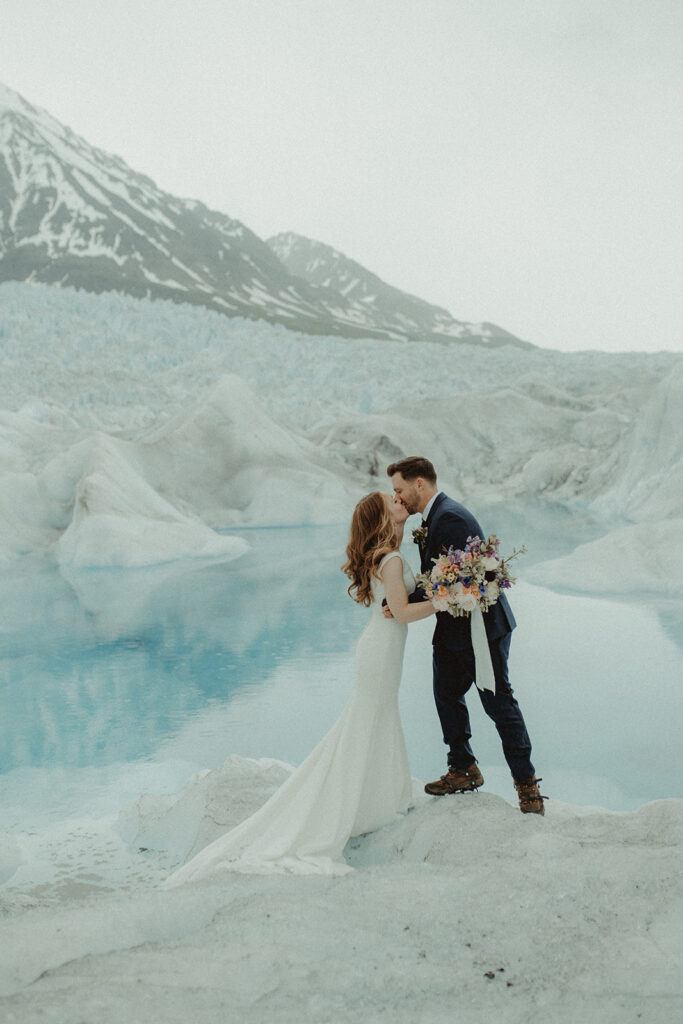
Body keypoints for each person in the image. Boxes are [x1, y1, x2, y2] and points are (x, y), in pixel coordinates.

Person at [165, 492, 434, 883]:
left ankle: (378, 799)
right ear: (379, 517)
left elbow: (401, 602)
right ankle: (359, 804)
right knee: (367, 720)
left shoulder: (388, 553)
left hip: (380, 646)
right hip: (381, 649)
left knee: (377, 717)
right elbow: (405, 613)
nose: (397, 498)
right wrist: (449, 599)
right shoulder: (389, 561)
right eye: (388, 500)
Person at [387, 456, 546, 815]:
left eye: (399, 490)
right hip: (454, 627)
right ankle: (463, 768)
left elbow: (463, 581)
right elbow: (437, 577)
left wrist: (408, 602)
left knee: (498, 702)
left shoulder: (450, 518)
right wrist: (402, 599)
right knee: (445, 690)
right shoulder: (434, 517)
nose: (396, 497)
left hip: (481, 628)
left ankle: (528, 787)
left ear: (419, 485)